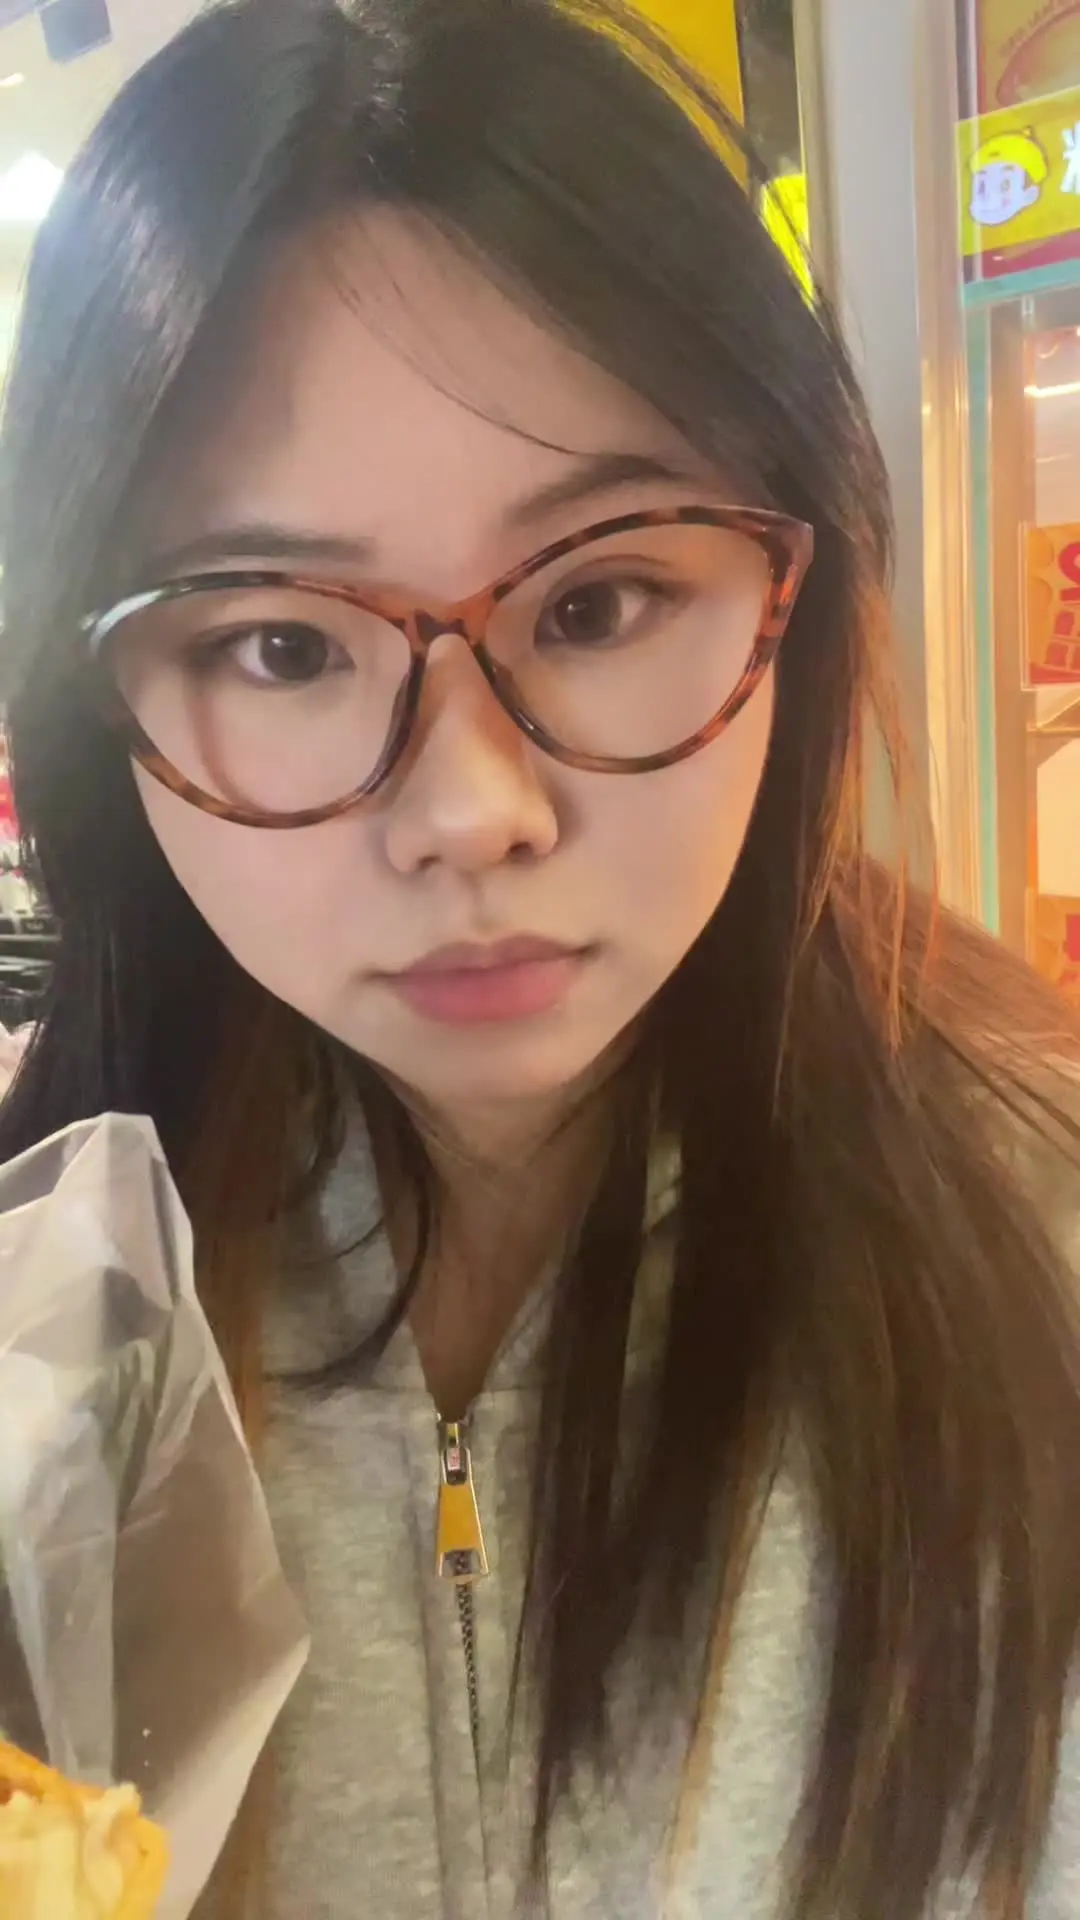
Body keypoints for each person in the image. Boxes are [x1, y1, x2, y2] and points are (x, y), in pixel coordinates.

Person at [1, 1, 1079, 1915]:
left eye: (599, 601)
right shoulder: (43, 1329)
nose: (471, 811)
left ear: (796, 589)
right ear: (100, 705)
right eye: (280, 645)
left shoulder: (1045, 1253)